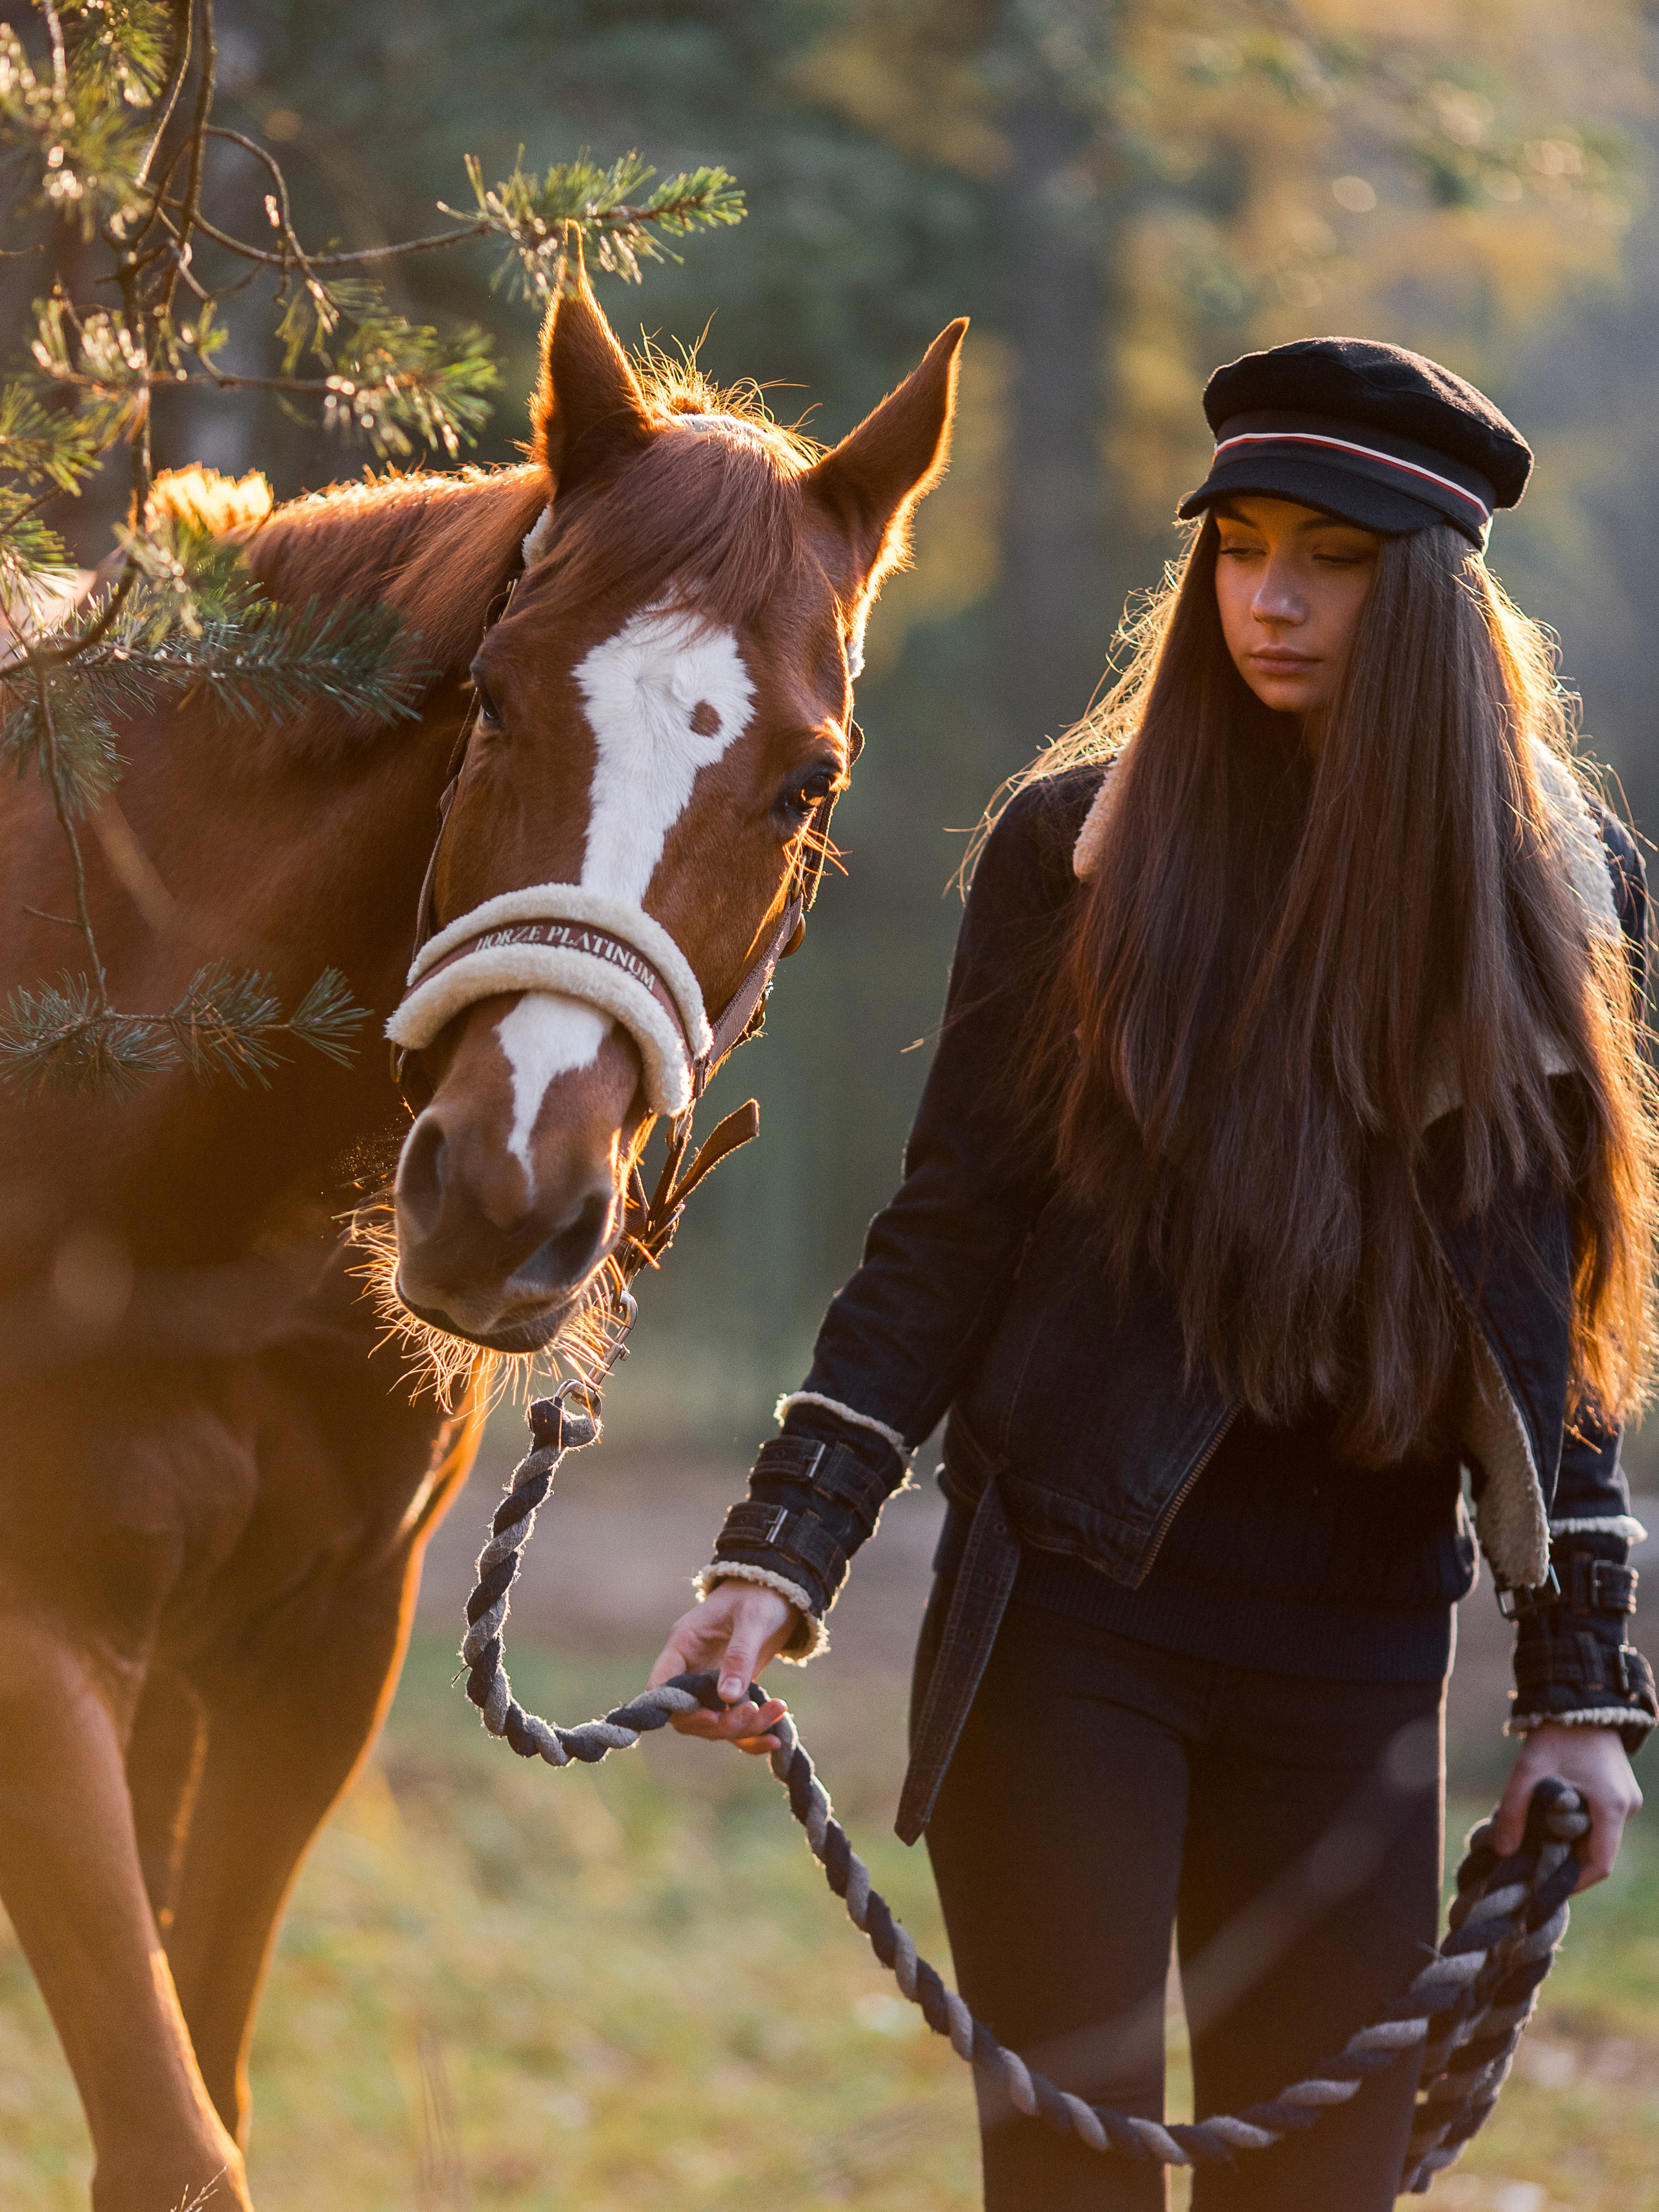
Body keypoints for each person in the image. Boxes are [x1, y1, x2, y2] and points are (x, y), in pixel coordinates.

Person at [647, 337, 1658, 2209]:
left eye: (1331, 562)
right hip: (1073, 1626)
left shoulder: (1564, 883)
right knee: (1070, 2183)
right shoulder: (1077, 851)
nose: (1269, 599)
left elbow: (1560, 1333)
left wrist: (1579, 1694)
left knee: (1320, 2186)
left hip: (1363, 1651)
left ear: (1433, 602)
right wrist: (777, 1556)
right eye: (1240, 547)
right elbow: (951, 1229)